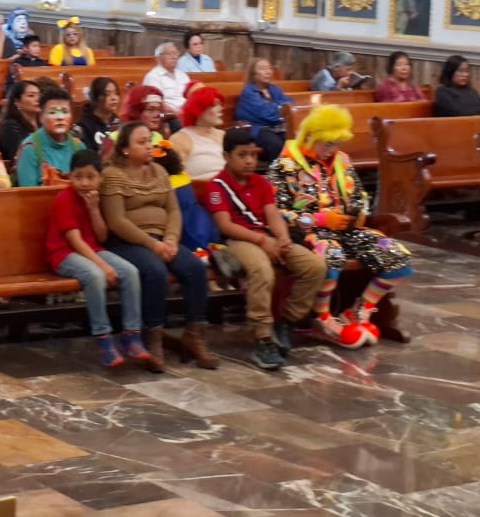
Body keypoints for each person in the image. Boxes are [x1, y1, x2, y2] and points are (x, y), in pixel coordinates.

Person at [267, 105, 414, 348]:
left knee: (396, 256)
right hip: (307, 233)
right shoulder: (285, 165)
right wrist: (320, 220)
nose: (332, 150)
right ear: (311, 137)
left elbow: (359, 197)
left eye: (336, 143)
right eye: (327, 144)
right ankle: (322, 316)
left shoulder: (342, 161)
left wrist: (358, 214)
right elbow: (278, 214)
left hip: (348, 230)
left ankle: (359, 310)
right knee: (332, 254)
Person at [100, 121, 217, 370]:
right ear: (125, 149)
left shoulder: (159, 172)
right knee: (155, 272)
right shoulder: (112, 175)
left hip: (163, 240)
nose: (148, 147)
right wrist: (153, 245)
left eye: (149, 141)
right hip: (127, 242)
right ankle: (152, 339)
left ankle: (194, 336)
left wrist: (171, 239)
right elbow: (117, 222)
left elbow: (173, 210)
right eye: (141, 142)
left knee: (196, 269)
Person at [206, 129, 326, 370]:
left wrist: (282, 238)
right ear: (226, 156)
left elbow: (272, 215)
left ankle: (286, 322)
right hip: (239, 240)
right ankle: (263, 338)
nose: (250, 160)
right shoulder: (217, 186)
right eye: (242, 155)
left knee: (315, 267)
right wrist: (262, 241)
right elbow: (225, 225)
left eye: (253, 154)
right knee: (262, 271)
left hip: (268, 237)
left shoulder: (260, 182)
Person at [47, 150, 153, 369]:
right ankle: (103, 338)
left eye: (90, 177)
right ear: (70, 176)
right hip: (63, 253)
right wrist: (103, 265)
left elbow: (101, 237)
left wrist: (94, 209)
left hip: (91, 249)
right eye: (78, 177)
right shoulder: (64, 199)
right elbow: (75, 241)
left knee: (130, 272)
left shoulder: (96, 198)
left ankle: (131, 334)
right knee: (95, 276)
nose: (84, 183)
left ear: (100, 178)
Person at [15, 87, 85, 188]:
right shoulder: (30, 148)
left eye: (65, 112)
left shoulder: (79, 147)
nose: (60, 117)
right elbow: (28, 196)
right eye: (52, 112)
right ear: (41, 117)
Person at [235, 58, 293, 163]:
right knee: (275, 145)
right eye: (262, 69)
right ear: (254, 74)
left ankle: (294, 174)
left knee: (293, 141)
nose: (268, 72)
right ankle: (278, 175)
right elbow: (266, 114)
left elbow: (289, 104)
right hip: (258, 129)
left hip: (277, 127)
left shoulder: (275, 89)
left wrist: (278, 108)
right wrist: (280, 109)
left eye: (269, 68)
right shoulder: (249, 92)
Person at [170, 85, 226, 181]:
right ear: (199, 110)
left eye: (220, 105)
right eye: (214, 106)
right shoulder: (180, 139)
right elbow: (176, 177)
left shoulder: (224, 135)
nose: (220, 109)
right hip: (202, 192)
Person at [0, 80, 42, 168]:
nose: (38, 99)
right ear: (17, 102)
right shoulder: (10, 127)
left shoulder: (44, 124)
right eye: (31, 95)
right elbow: (20, 157)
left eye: (39, 95)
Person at [75, 77, 121, 155]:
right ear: (96, 97)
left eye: (116, 93)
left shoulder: (118, 122)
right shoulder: (84, 126)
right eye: (107, 94)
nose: (114, 98)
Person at [143, 42, 191, 116]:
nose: (174, 57)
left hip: (186, 113)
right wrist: (178, 114)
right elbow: (157, 103)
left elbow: (191, 96)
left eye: (176, 53)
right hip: (167, 116)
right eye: (170, 54)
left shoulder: (182, 75)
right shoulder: (153, 76)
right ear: (159, 58)